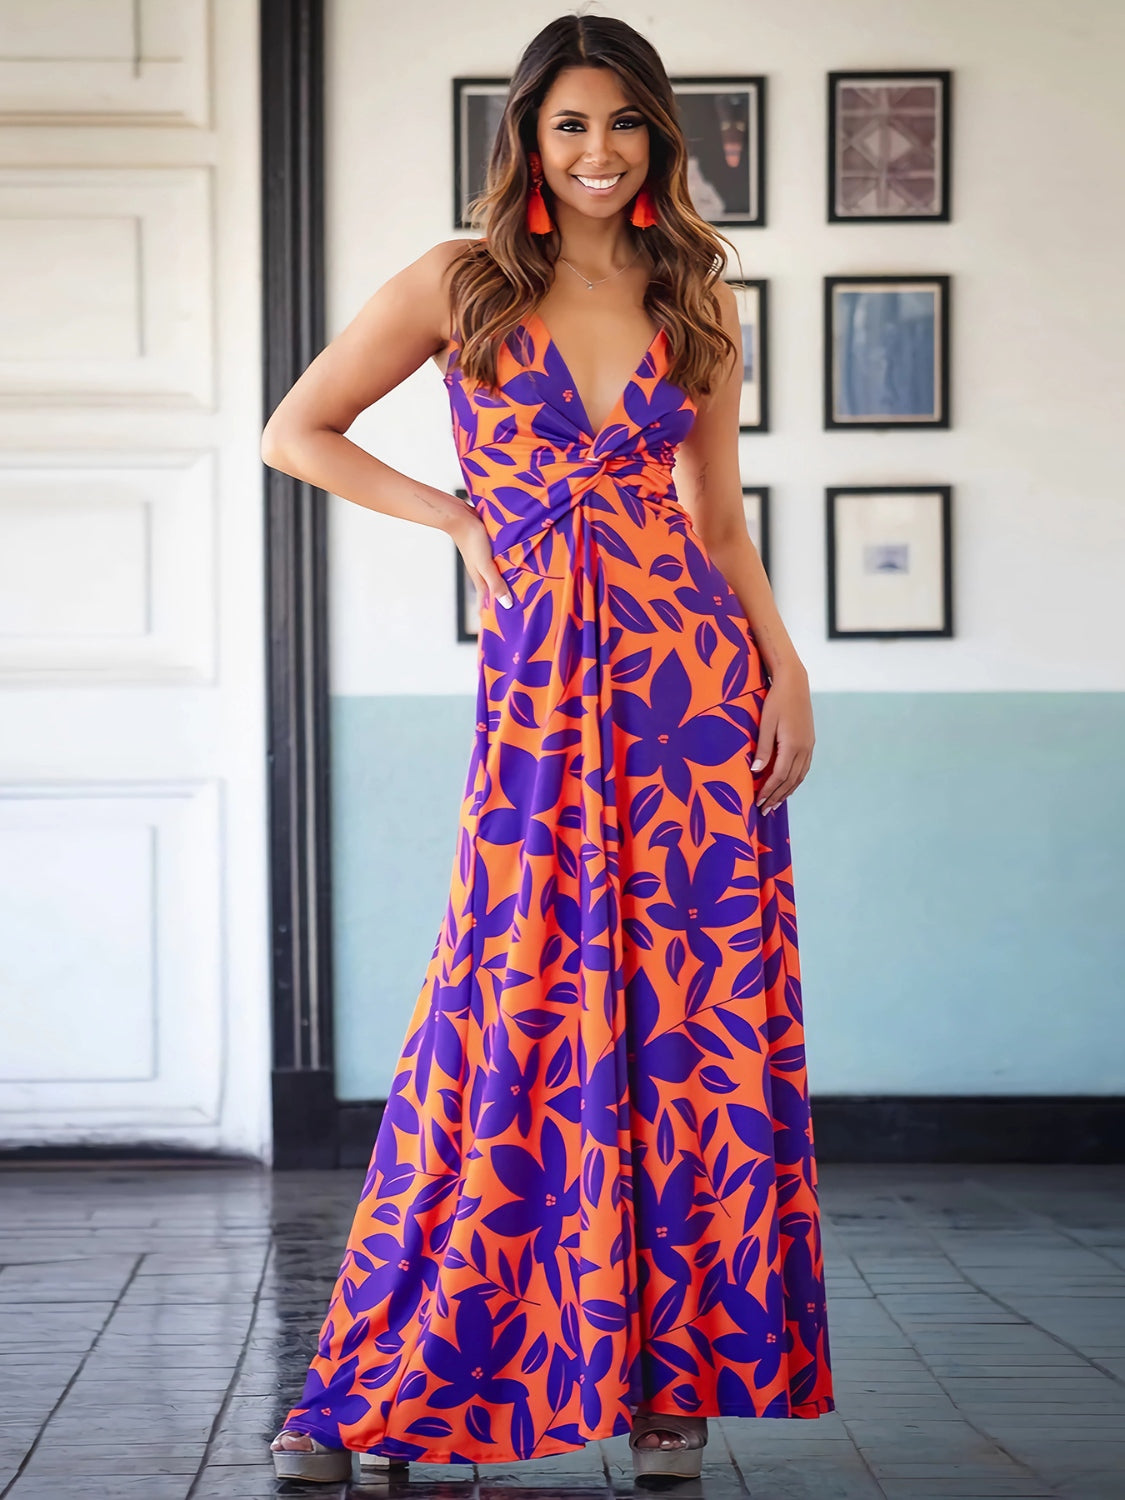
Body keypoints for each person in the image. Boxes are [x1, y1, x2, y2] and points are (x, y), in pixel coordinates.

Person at [262, 12, 833, 1486]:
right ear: (526, 137)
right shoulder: (461, 283)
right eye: (570, 125)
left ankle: (670, 1390)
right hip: (541, 697)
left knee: (688, 1034)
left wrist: (782, 671)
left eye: (624, 125)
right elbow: (298, 431)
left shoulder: (695, 295)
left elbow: (715, 520)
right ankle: (391, 1386)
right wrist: (459, 517)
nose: (597, 152)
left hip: (688, 694)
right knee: (507, 1001)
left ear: (658, 139)